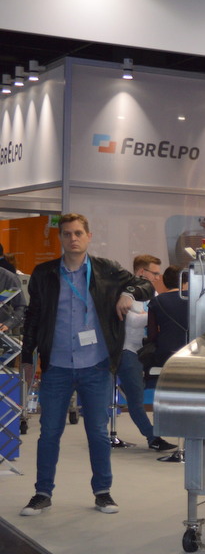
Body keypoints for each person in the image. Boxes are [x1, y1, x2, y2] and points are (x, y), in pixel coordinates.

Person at [19, 213, 154, 516]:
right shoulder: (44, 273)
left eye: (78, 233)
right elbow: (33, 316)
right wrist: (27, 356)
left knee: (98, 433)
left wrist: (129, 293)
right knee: (49, 433)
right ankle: (42, 493)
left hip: (96, 365)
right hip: (56, 366)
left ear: (89, 236)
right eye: (67, 234)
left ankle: (103, 492)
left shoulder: (108, 270)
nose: (73, 239)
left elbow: (146, 285)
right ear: (60, 238)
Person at [116, 255, 177, 452]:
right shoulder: (124, 293)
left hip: (148, 352)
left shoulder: (154, 294)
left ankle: (130, 386)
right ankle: (152, 438)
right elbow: (131, 321)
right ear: (142, 272)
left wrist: (148, 316)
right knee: (136, 400)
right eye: (155, 273)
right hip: (128, 350)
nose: (158, 278)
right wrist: (152, 316)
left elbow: (152, 317)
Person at [148, 266, 190, 371]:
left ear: (165, 282)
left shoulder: (156, 301)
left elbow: (152, 334)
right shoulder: (197, 298)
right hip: (193, 352)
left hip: (166, 354)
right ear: (186, 281)